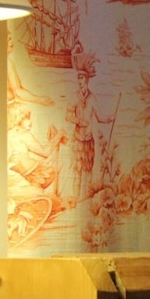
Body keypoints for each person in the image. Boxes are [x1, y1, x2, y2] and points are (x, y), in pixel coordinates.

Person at [65, 50, 114, 202]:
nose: (79, 81)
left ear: (87, 80)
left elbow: (99, 117)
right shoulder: (74, 97)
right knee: (77, 169)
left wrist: (109, 119)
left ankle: (85, 198)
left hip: (88, 139)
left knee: (88, 169)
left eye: (82, 78)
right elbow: (67, 116)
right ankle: (76, 198)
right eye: (78, 78)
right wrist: (79, 121)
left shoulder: (92, 98)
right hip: (78, 139)